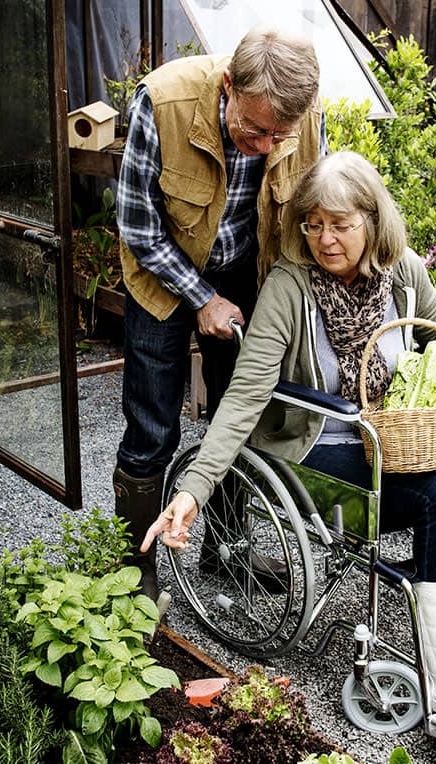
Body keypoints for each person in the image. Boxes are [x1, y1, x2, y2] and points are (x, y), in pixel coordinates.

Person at [140, 151, 436, 731]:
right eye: (314, 224)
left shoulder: (403, 271)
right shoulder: (288, 287)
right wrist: (196, 487)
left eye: (341, 225)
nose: (326, 240)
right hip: (318, 449)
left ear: (373, 222)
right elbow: (246, 394)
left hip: (392, 439)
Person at [112, 26, 326, 599]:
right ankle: (134, 570)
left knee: (244, 415)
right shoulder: (164, 101)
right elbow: (137, 227)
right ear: (229, 85)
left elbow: (313, 207)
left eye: (280, 136)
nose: (265, 145)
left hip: (249, 271)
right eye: (254, 129)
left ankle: (226, 552)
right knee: (152, 428)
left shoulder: (299, 118)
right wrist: (200, 296)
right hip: (164, 272)